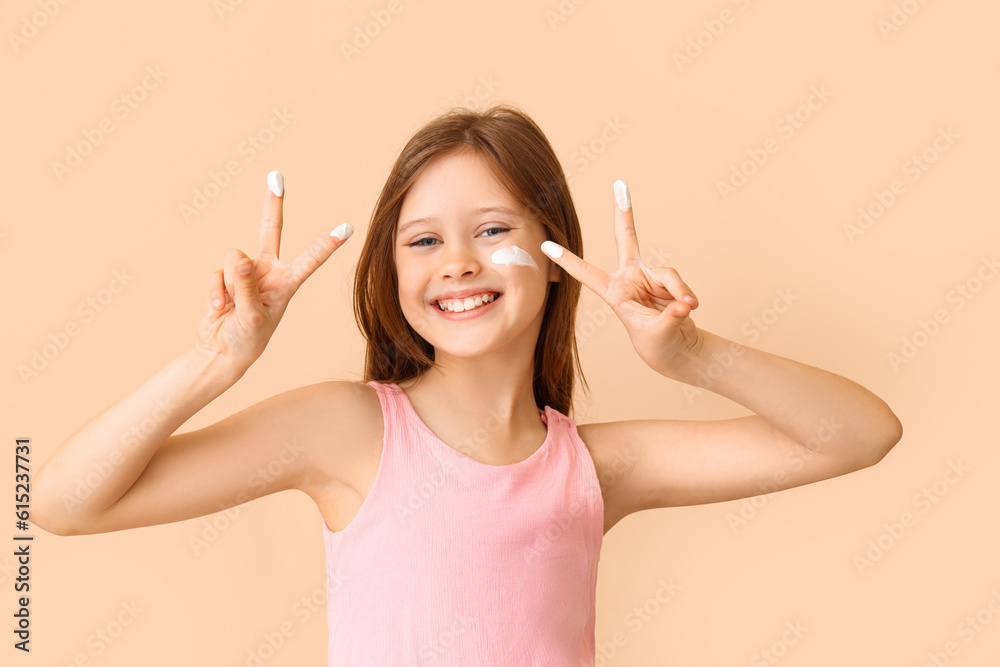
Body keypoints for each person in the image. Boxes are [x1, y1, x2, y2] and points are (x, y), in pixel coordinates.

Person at [33, 104, 903, 665]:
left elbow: (860, 434)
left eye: (492, 229)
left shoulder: (597, 469)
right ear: (390, 269)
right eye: (422, 240)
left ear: (557, 254)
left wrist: (691, 356)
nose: (457, 263)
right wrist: (216, 363)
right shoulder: (346, 431)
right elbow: (64, 501)